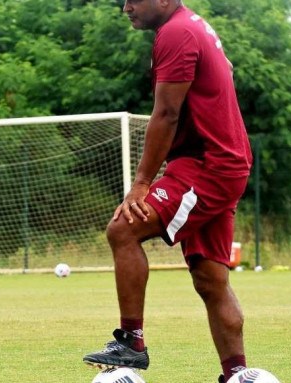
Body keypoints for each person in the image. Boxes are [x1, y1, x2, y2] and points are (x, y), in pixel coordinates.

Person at [81, 0, 253, 382]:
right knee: (210, 277)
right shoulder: (192, 25)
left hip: (208, 163)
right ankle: (238, 374)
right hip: (222, 160)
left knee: (123, 228)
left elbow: (166, 113)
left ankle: (132, 342)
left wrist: (141, 184)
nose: (126, 7)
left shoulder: (176, 32)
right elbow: (224, 73)